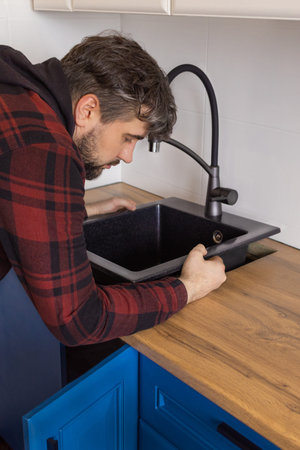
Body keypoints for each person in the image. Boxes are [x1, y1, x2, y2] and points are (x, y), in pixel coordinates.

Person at [0, 32, 226, 348]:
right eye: (128, 137)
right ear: (88, 109)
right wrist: (187, 288)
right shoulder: (43, 147)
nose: (128, 156)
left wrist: (78, 209)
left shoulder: (15, 87)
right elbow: (78, 319)